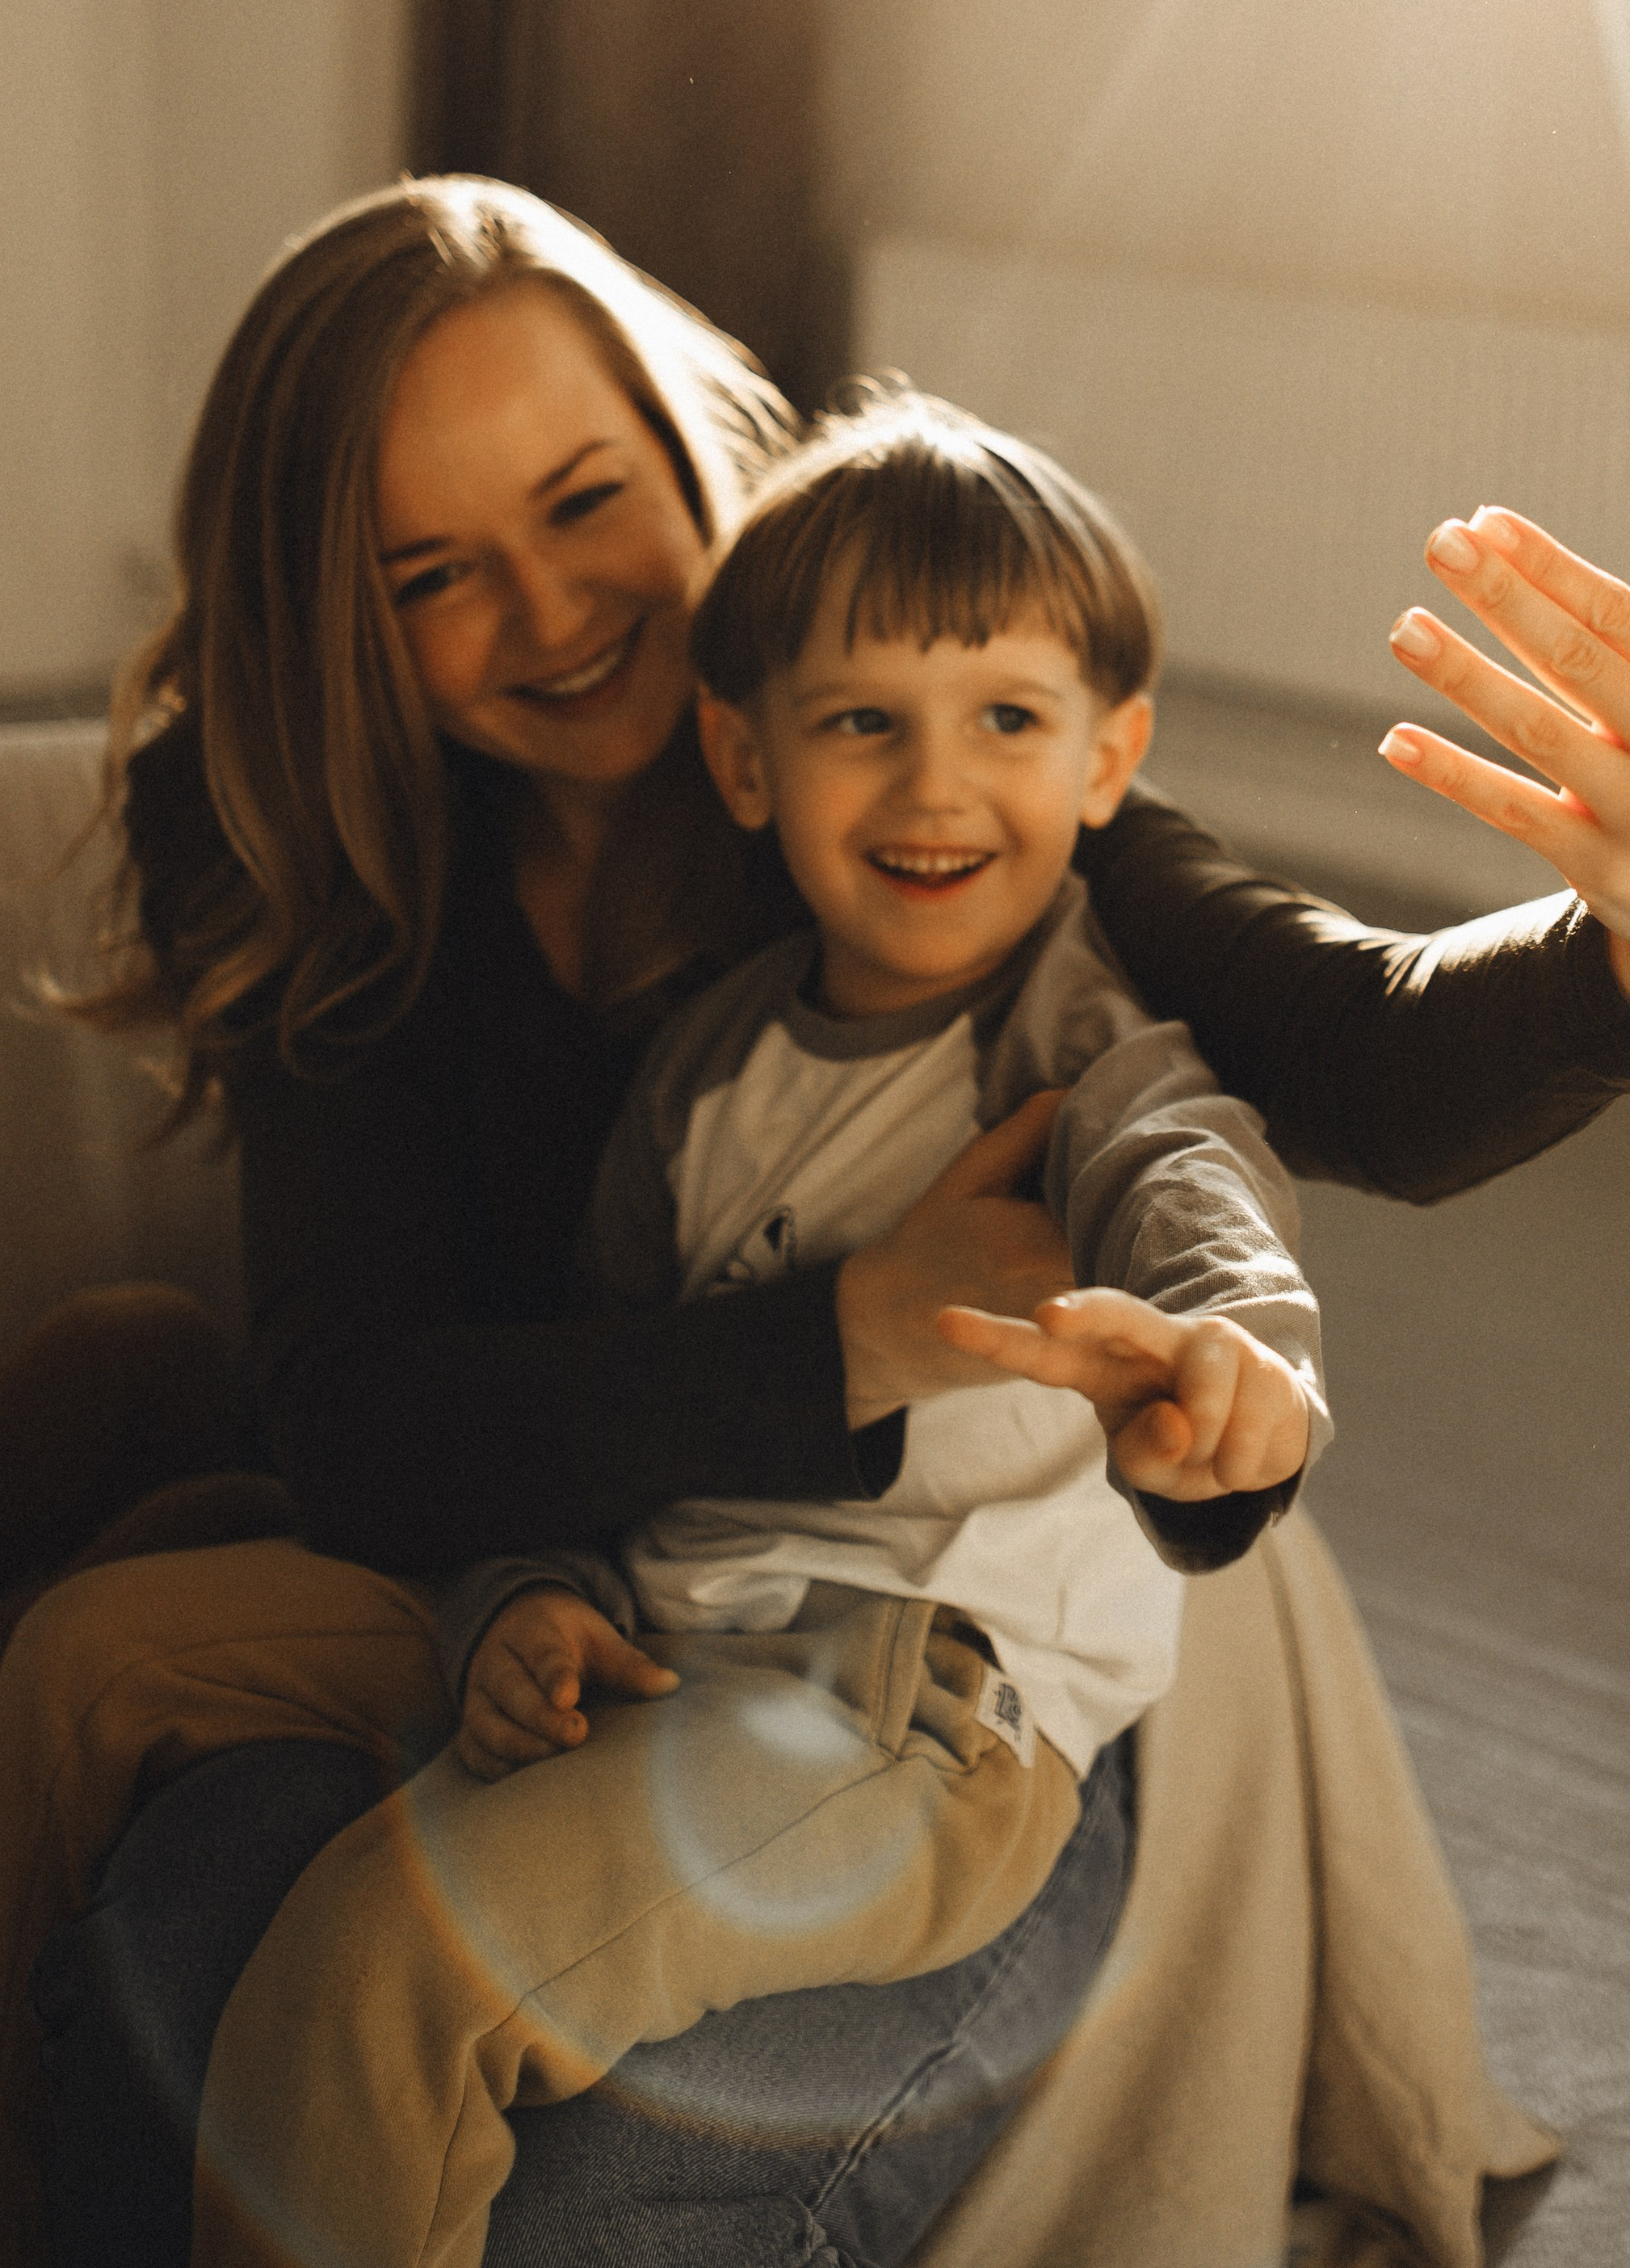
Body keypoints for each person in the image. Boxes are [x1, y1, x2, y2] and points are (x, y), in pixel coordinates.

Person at [0, 175, 1630, 2268]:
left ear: (694, 459)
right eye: (432, 573)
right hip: (559, 1572)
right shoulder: (306, 828)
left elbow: (1330, 1049)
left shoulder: (907, 759)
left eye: (590, 502)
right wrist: (829, 1340)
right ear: (331, 619)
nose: (557, 608)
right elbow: (363, 1424)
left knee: (508, 2147)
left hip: (915, 1661)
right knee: (145, 1851)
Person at [192, 388, 1328, 2267]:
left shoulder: (1078, 1056)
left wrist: (1239, 1365)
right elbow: (601, 1387)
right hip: (684, 1660)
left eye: (1008, 721)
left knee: (378, 1971)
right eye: (860, 724)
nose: (935, 785)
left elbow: (1191, 1195)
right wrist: (524, 1593)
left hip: (915, 1715)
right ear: (741, 762)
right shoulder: (707, 1070)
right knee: (205, 1787)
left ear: (1109, 755)